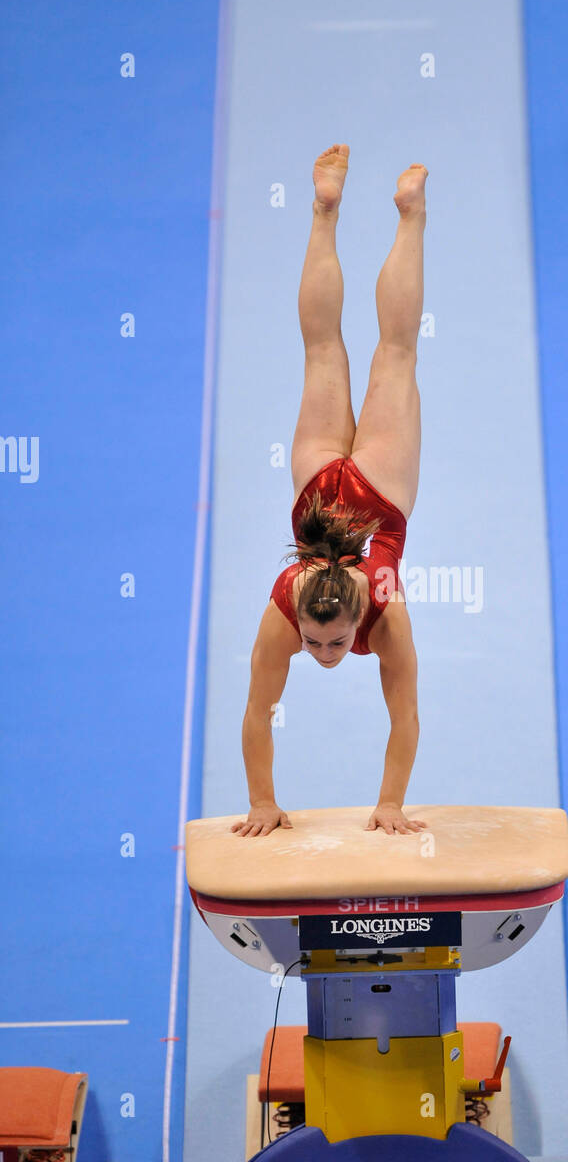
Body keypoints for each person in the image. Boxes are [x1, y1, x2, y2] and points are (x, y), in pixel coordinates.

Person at [232, 144, 428, 839]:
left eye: (330, 643)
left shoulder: (369, 614)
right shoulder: (326, 612)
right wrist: (262, 802)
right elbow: (261, 716)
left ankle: (366, 212)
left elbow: (399, 717)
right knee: (378, 351)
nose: (322, 654)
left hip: (371, 485)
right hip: (325, 484)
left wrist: (391, 804)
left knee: (363, 349)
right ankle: (344, 208)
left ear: (352, 617)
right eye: (320, 645)